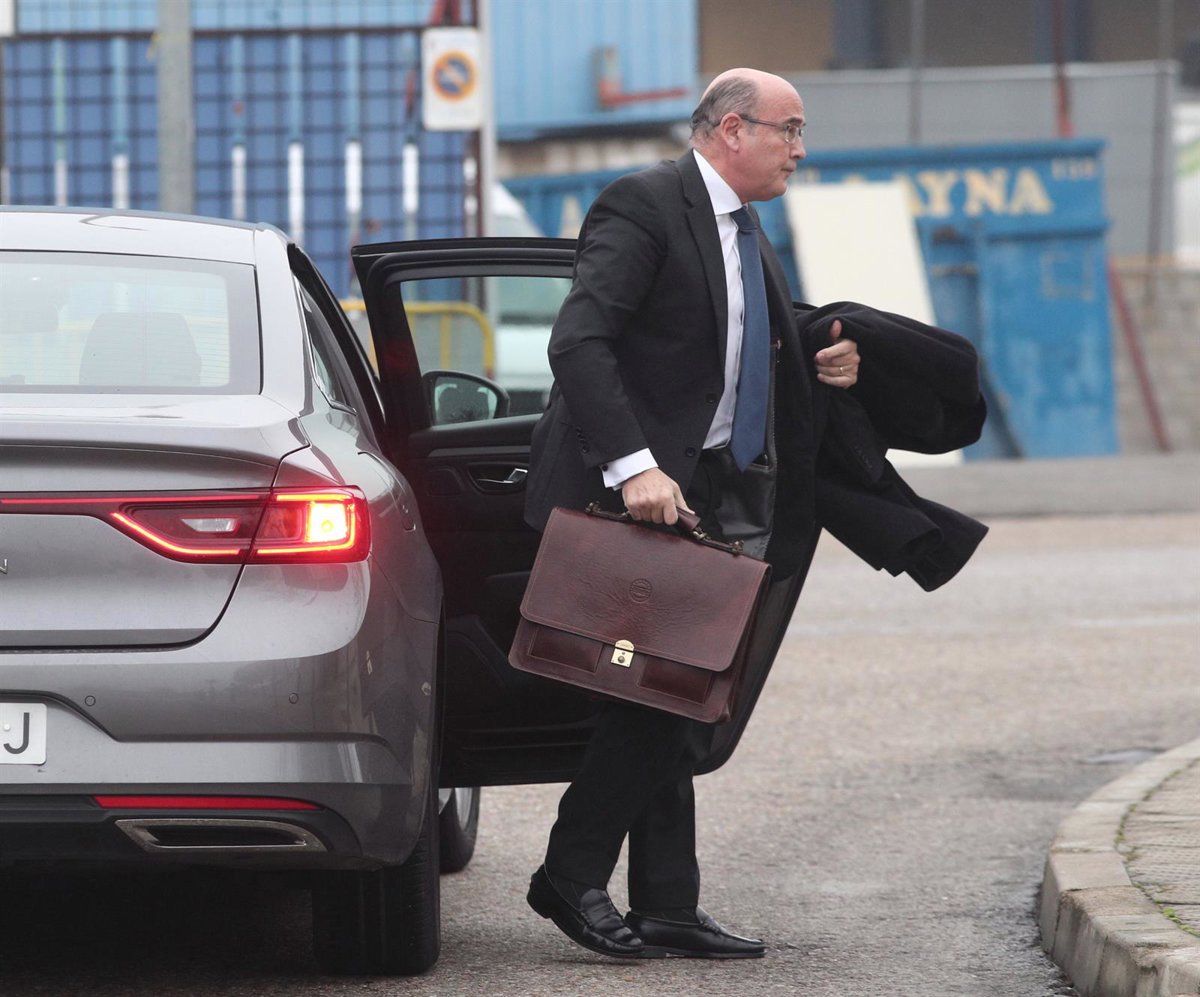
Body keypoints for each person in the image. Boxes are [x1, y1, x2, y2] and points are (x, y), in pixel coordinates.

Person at [520, 68, 863, 960]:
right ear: (733, 129)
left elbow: (725, 328)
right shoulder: (644, 204)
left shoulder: (742, 225)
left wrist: (814, 348)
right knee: (654, 699)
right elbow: (579, 340)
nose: (800, 149)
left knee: (677, 692)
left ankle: (667, 901)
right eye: (789, 129)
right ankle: (570, 871)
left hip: (704, 491)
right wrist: (633, 465)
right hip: (626, 495)